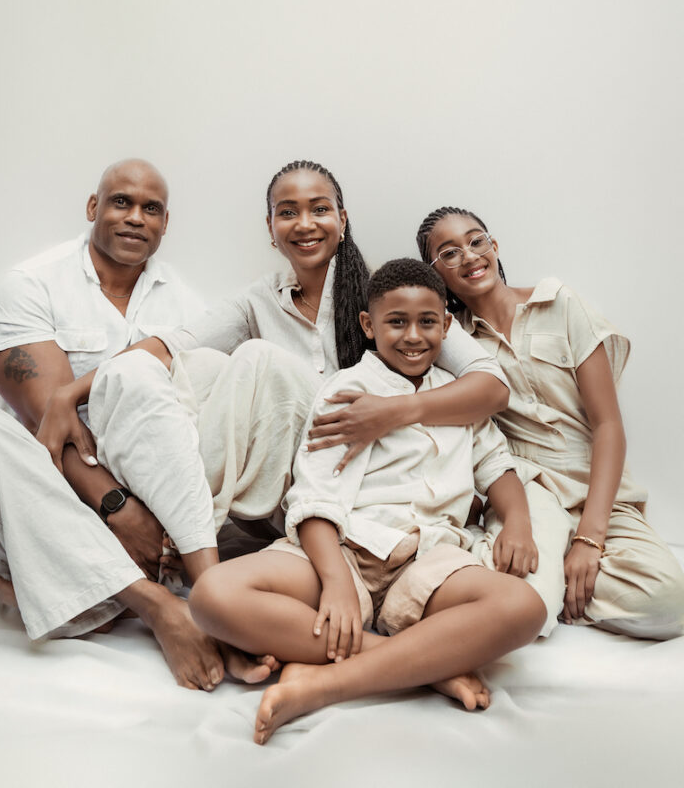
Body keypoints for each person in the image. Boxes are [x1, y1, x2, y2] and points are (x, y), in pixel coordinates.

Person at [40, 160, 512, 569]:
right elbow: (171, 344)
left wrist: (387, 412)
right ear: (270, 229)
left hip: (362, 482)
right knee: (189, 370)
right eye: (288, 213)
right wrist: (69, 393)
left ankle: (173, 538)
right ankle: (162, 526)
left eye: (319, 209)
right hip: (282, 487)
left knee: (259, 360)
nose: (304, 223)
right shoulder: (259, 300)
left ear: (342, 219)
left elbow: (491, 386)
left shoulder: (388, 299)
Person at [0, 159, 275, 690]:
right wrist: (118, 510)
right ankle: (157, 605)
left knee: (229, 374)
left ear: (166, 224)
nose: (136, 218)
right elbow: (52, 422)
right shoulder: (30, 284)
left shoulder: (184, 304)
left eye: (151, 209)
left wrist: (162, 519)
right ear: (94, 207)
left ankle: (78, 588)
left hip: (164, 500)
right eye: (121, 202)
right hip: (64, 500)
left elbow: (192, 425)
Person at [189, 259, 546, 744]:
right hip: (344, 554)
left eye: (427, 322)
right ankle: (421, 664)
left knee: (524, 606)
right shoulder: (349, 390)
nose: (413, 336)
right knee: (213, 595)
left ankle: (326, 680)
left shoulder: (459, 398)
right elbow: (314, 497)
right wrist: (335, 581)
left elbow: (497, 467)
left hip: (429, 560)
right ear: (368, 326)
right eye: (396, 322)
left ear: (446, 323)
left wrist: (518, 523)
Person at [414, 206, 684, 640]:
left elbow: (608, 425)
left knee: (669, 602)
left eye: (476, 240)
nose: (468, 256)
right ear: (437, 274)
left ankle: (548, 590)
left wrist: (589, 540)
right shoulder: (451, 340)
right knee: (521, 585)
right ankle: (531, 589)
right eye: (449, 253)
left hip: (597, 486)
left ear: (494, 247)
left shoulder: (559, 303)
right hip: (527, 491)